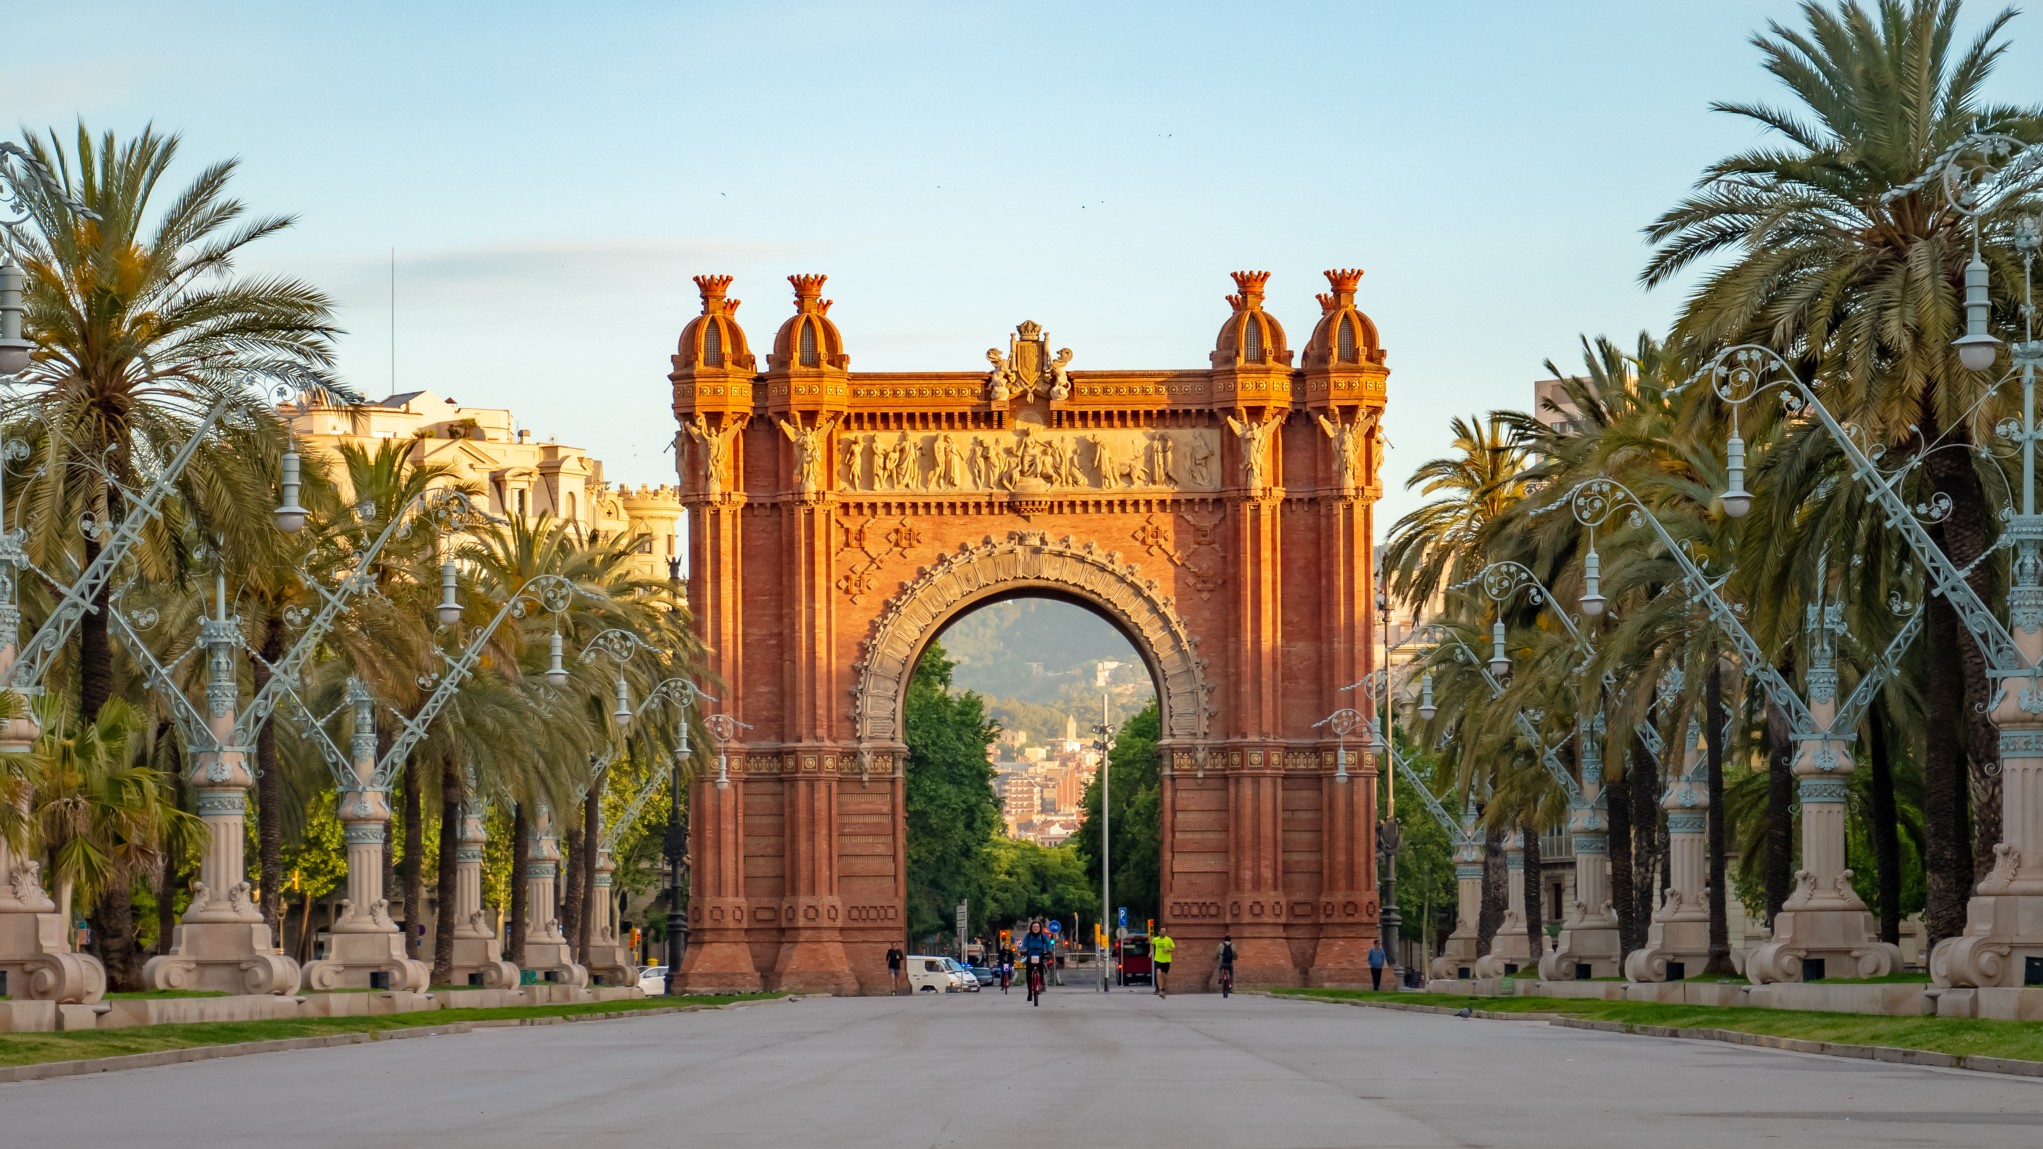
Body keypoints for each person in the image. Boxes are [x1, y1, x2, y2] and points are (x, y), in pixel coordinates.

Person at [1019, 920, 1056, 1005]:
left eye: (1037, 927)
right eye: (1034, 927)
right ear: (1031, 928)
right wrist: (1022, 950)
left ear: (1040, 928)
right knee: (1028, 974)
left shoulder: (1043, 936)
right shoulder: (1028, 936)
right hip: (1030, 954)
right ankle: (1029, 993)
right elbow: (1024, 944)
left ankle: (1042, 983)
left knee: (1041, 968)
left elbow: (1048, 944)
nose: (1035, 928)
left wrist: (1049, 950)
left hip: (1040, 954)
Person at [1150, 927, 1177, 998]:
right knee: (1158, 973)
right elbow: (1152, 944)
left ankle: (1163, 989)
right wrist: (1151, 952)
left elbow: (1174, 948)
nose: (1164, 932)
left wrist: (1168, 950)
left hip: (1166, 960)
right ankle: (1160, 990)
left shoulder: (1169, 939)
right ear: (1159, 932)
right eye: (1162, 931)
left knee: (1164, 976)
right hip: (1158, 959)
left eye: (1165, 931)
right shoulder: (1155, 939)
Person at [1213, 933, 1237, 998]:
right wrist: (1235, 958)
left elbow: (1217, 953)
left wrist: (1216, 957)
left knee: (1219, 967)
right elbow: (1235, 954)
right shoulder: (1233, 946)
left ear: (1224, 940)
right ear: (1230, 940)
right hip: (1229, 964)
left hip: (1223, 963)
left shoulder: (1220, 945)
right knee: (1231, 974)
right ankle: (1230, 986)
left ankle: (1220, 977)